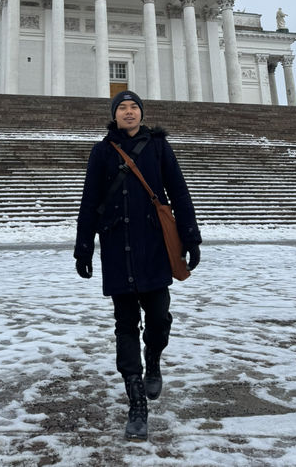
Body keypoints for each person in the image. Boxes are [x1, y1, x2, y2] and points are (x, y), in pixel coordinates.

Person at [74, 90, 201, 441]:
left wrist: (190, 237)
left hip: (154, 247)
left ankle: (154, 359)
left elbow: (179, 191)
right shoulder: (101, 151)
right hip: (117, 248)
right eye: (122, 108)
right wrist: (84, 247)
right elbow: (90, 200)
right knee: (125, 325)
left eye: (134, 108)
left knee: (159, 319)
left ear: (141, 115)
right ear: (114, 116)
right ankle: (136, 402)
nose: (128, 112)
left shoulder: (159, 147)